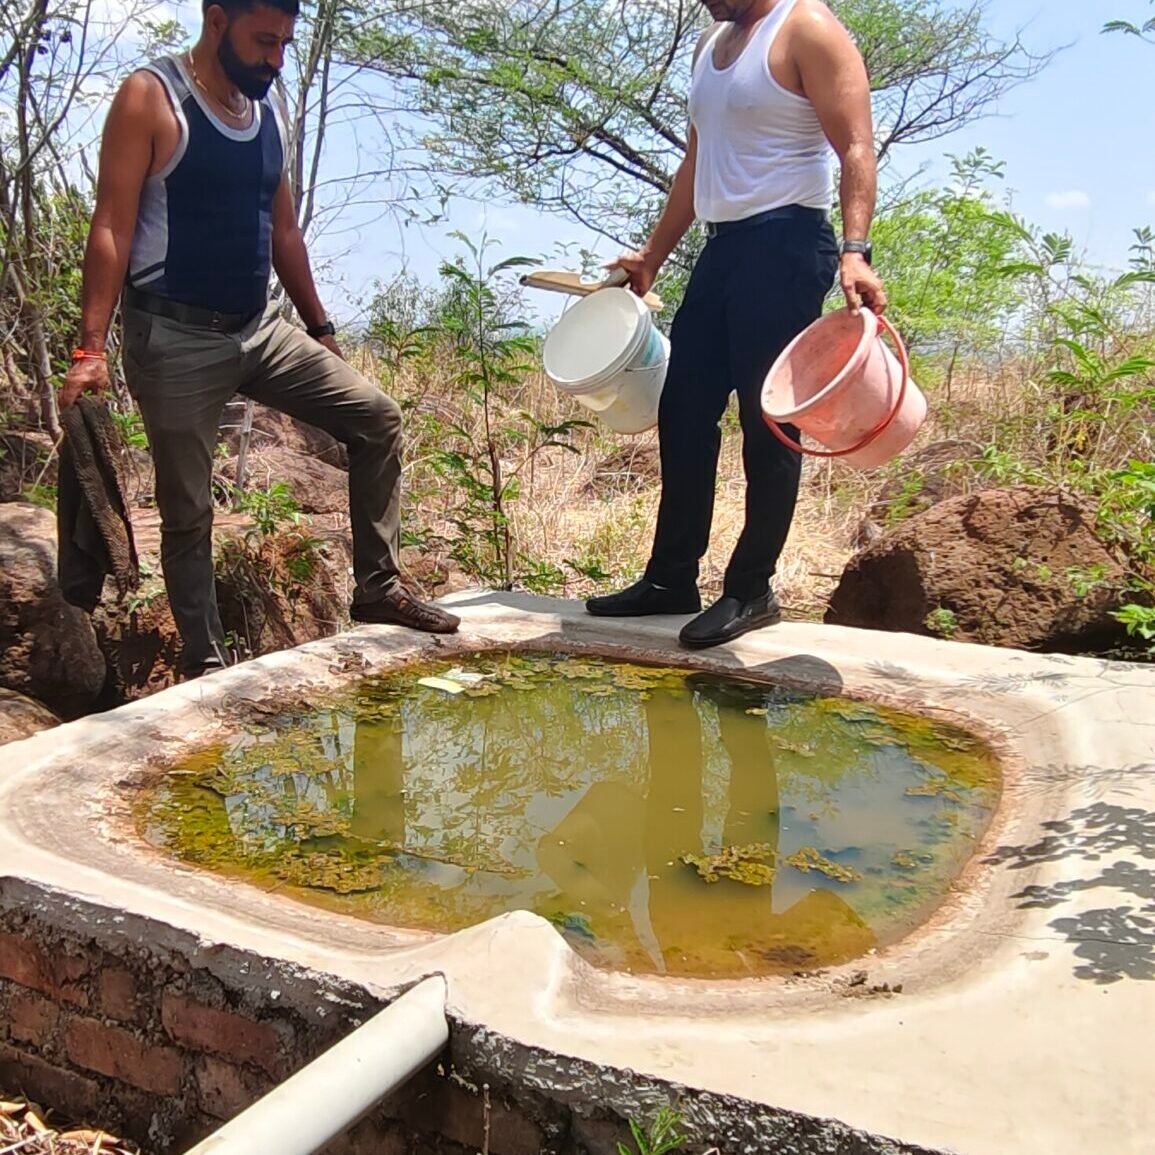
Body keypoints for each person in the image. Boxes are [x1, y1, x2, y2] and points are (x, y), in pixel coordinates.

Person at [59, 0, 459, 679]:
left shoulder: (266, 111)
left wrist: (321, 329)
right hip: (175, 336)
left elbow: (284, 233)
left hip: (260, 327)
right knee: (189, 510)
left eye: (284, 45)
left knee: (376, 418)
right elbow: (111, 226)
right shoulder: (152, 97)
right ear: (217, 21)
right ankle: (207, 665)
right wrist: (89, 351)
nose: (276, 59)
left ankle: (377, 588)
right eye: (264, 41)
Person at [586, 0, 887, 649]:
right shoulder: (708, 46)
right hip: (721, 248)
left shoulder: (806, 27)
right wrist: (652, 256)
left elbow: (856, 145)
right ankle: (670, 578)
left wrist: (855, 252)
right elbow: (697, 162)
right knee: (683, 408)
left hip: (787, 241)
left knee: (767, 419)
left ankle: (752, 588)